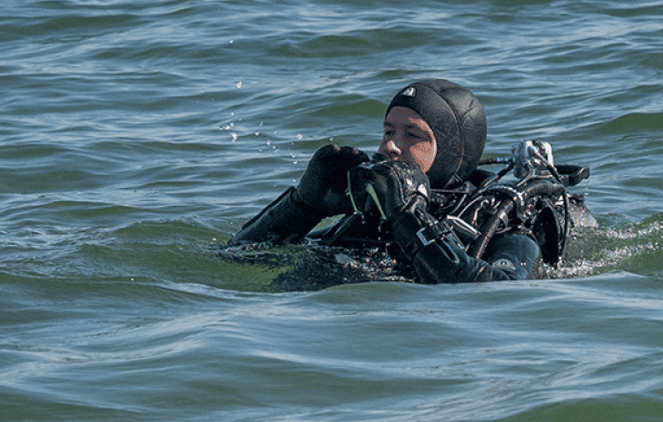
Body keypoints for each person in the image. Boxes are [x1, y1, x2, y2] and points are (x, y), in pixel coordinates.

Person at [228, 79, 591, 284]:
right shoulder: (373, 214)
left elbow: (500, 293)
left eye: (411, 135)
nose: (389, 146)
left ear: (452, 151)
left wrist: (409, 217)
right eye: (388, 130)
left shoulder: (500, 221)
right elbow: (236, 259)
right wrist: (302, 206)